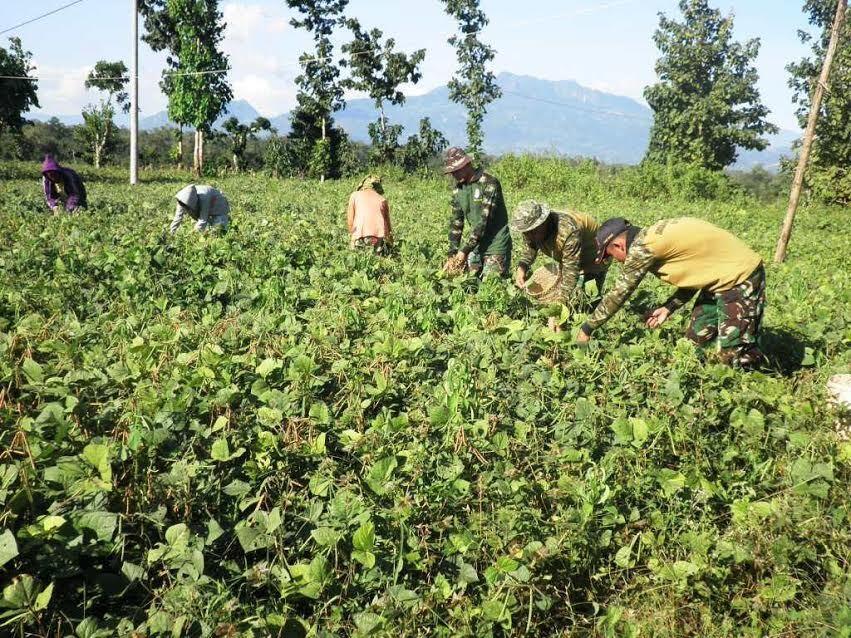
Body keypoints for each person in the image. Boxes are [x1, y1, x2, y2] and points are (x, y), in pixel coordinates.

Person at [577, 217, 766, 367]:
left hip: (740, 276)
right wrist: (669, 307)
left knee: (733, 355)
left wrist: (587, 329)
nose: (616, 260)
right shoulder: (651, 236)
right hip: (717, 276)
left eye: (609, 254)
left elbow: (619, 293)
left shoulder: (642, 248)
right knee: (693, 343)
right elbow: (695, 272)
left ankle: (754, 387)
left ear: (619, 245)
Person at [511, 199, 608, 305]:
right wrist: (522, 268)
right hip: (570, 255)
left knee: (587, 300)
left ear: (544, 222)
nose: (529, 236)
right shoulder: (531, 231)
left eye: (533, 231)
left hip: (594, 256)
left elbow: (570, 271)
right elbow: (530, 247)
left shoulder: (568, 231)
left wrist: (558, 307)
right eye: (526, 233)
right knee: (564, 293)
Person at [442, 147, 512, 278]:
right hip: (476, 245)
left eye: (457, 170)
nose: (454, 174)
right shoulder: (458, 190)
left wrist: (464, 251)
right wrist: (452, 255)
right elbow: (456, 223)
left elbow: (484, 221)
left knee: (491, 286)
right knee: (470, 284)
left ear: (467, 164)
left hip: (495, 244)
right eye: (452, 171)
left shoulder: (489, 183)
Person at [347, 175, 393, 255]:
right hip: (378, 236)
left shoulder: (355, 195)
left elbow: (350, 220)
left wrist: (352, 237)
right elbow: (388, 225)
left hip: (359, 234)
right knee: (377, 260)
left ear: (363, 186)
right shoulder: (382, 200)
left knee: (357, 257)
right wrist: (391, 242)